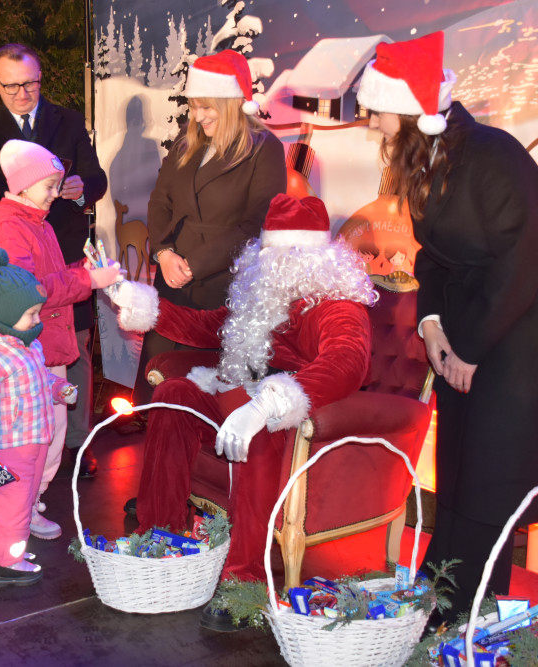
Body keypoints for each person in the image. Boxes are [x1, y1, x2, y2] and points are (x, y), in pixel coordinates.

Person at [356, 31, 538, 623]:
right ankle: (447, 583)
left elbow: (519, 264)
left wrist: (470, 349)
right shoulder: (427, 158)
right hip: (463, 321)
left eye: (376, 112)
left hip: (520, 324)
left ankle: (461, 601)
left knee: (493, 466)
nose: (371, 124)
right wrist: (431, 325)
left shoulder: (495, 157)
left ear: (405, 110)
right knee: (460, 464)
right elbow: (433, 255)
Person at [109, 194, 376, 631]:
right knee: (174, 394)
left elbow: (348, 361)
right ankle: (163, 536)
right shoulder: (263, 299)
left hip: (286, 413)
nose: (270, 262)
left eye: (281, 253)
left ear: (311, 258)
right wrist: (146, 306)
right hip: (237, 392)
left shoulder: (336, 306)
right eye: (266, 251)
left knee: (259, 435)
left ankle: (246, 581)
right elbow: (205, 325)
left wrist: (266, 407)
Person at [0, 139, 120, 544]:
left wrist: (80, 269)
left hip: (44, 348)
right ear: (24, 183)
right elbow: (26, 290)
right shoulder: (9, 225)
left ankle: (24, 504)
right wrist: (86, 280)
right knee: (15, 448)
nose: (55, 193)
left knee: (45, 441)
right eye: (49, 185)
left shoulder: (36, 221)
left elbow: (45, 274)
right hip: (26, 350)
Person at [0, 43, 107, 476]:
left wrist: (79, 187)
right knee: (20, 350)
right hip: (16, 254)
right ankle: (15, 449)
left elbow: (97, 179)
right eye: (12, 86)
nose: (23, 93)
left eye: (31, 83)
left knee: (74, 350)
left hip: (65, 249)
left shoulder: (66, 120)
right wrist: (29, 194)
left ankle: (77, 446)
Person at [133, 49, 287, 407]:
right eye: (194, 106)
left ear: (232, 102)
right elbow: (159, 201)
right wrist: (164, 252)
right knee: (158, 390)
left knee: (202, 400)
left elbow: (256, 223)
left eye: (207, 107)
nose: (198, 116)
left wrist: (194, 265)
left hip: (221, 287)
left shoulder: (265, 150)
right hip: (172, 281)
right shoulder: (186, 144)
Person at [0, 247, 78, 587]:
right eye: (32, 314)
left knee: (20, 500)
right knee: (13, 505)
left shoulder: (25, 343)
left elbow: (37, 379)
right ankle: (6, 563)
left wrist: (57, 388)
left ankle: (3, 551)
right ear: (7, 313)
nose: (37, 321)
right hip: (9, 446)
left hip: (34, 440)